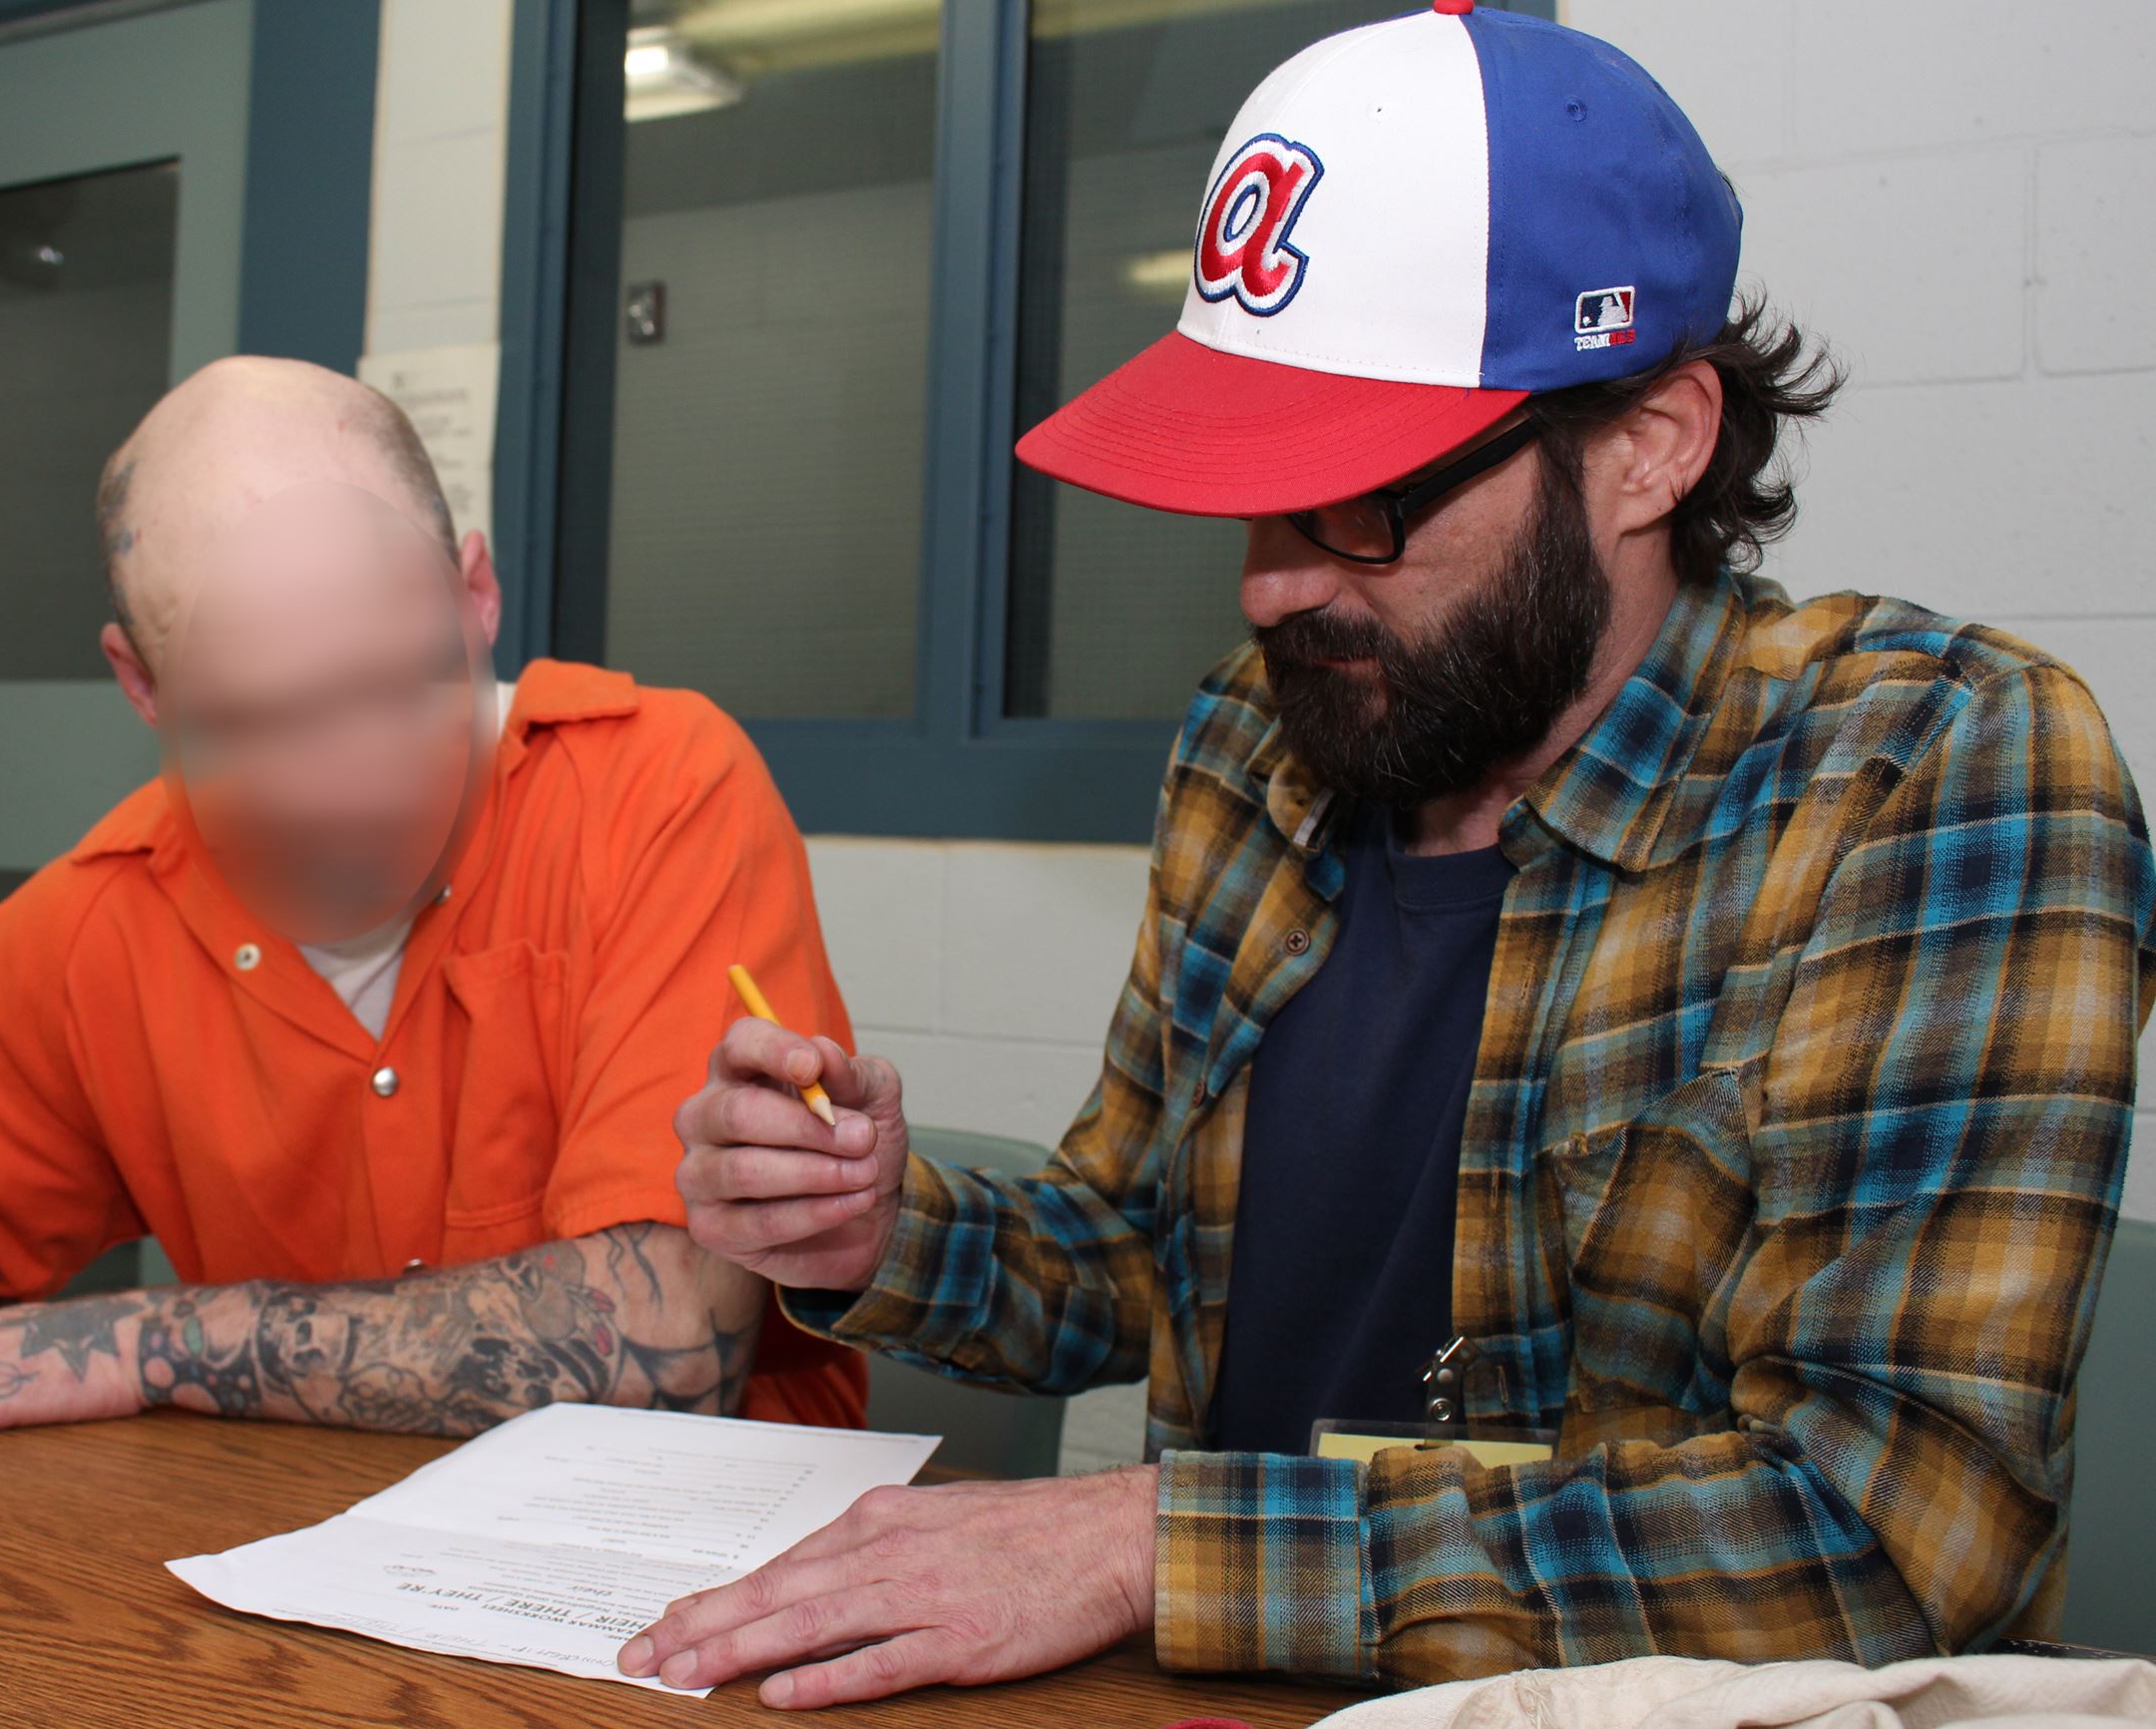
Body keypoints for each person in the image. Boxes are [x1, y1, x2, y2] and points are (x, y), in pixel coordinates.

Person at [630, 0, 2156, 1709]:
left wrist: (1143, 1540)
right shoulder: (1256, 738)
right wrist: (873, 1227)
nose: (1276, 585)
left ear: (1651, 440)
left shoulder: (1931, 777)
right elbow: (1133, 1257)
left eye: (1360, 497)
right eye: (1250, 498)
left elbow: (1887, 1530)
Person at [0, 356, 863, 1451]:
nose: (345, 782)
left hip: (709, 1589)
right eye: (256, 722)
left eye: (391, 683)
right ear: (142, 684)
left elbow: (659, 1350)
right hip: (300, 1584)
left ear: (476, 592)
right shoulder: (95, 920)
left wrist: (139, 1342)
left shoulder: (654, 791)